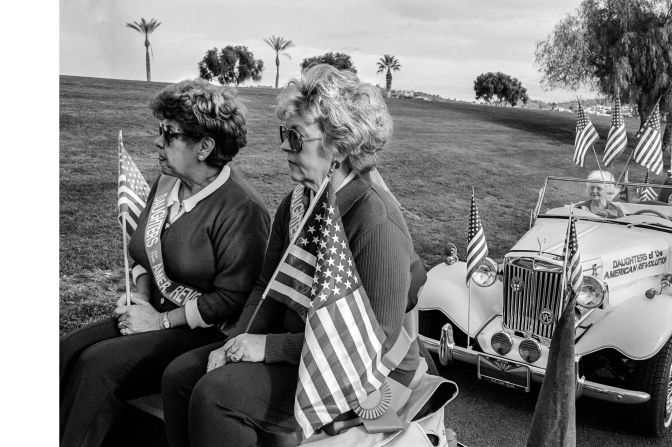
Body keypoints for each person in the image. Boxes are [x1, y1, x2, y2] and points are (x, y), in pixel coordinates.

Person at [161, 64, 432, 447]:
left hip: (368, 373)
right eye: (283, 134)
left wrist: (267, 348)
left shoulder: (374, 217)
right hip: (308, 345)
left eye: (295, 136)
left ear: (338, 144)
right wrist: (236, 342)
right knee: (180, 377)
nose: (284, 146)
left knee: (216, 396)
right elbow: (266, 287)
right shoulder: (299, 201)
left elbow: (378, 341)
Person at [60, 79, 271, 447]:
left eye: (169, 133)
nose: (158, 141)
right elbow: (141, 251)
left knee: (98, 366)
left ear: (204, 146)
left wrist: (158, 321)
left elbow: (232, 299)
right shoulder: (165, 183)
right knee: (66, 351)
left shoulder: (243, 210)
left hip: (203, 331)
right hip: (153, 313)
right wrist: (141, 297)